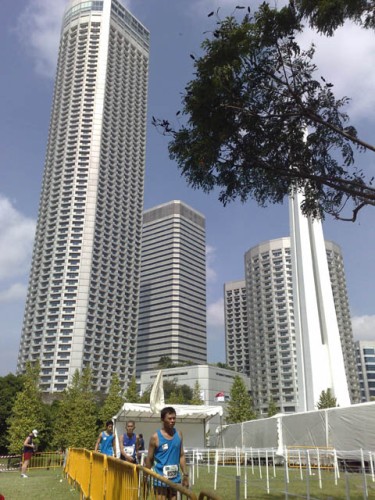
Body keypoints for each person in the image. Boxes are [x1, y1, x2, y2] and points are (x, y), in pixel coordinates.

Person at [145, 406, 189, 499]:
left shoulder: (179, 434)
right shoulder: (155, 437)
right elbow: (149, 458)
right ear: (162, 419)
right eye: (169, 418)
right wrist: (146, 476)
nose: (172, 420)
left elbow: (181, 455)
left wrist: (185, 475)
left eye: (174, 418)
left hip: (175, 480)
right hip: (160, 480)